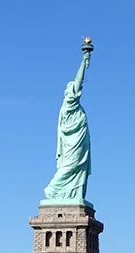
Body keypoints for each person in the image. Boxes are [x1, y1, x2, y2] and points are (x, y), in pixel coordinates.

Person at [44, 46, 92, 203]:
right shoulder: (69, 105)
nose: (80, 90)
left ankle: (75, 193)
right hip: (73, 144)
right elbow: (78, 81)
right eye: (76, 89)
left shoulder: (76, 108)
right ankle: (53, 189)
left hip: (79, 142)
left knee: (78, 168)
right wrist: (84, 61)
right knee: (70, 166)